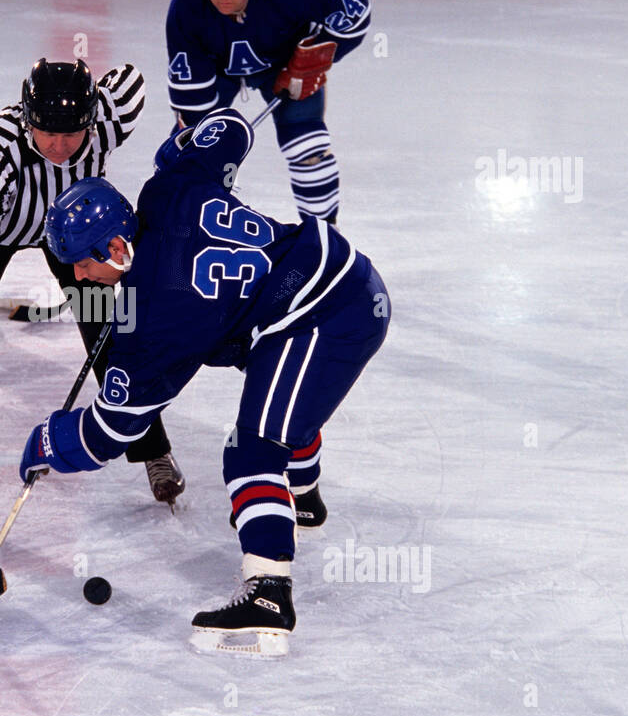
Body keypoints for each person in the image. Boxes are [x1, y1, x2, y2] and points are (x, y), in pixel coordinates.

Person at [19, 108, 390, 657]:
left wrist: (48, 440)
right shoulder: (167, 188)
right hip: (338, 274)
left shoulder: (153, 324)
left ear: (118, 249)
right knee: (279, 396)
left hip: (322, 314)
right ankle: (303, 497)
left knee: (251, 450)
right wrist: (179, 150)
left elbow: (109, 433)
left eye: (80, 263)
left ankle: (268, 596)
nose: (76, 275)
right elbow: (233, 130)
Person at [0, 58, 187, 507]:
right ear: (27, 120)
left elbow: (131, 80)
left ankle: (154, 452)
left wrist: (188, 112)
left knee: (111, 334)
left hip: (72, 234)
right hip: (2, 232)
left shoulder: (105, 117)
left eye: (72, 134)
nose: (61, 146)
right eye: (48, 133)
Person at [166, 0, 370, 223]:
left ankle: (325, 236)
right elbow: (192, 102)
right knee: (192, 151)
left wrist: (317, 51)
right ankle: (182, 230)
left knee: (307, 148)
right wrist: (202, 139)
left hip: (284, 66)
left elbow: (356, 12)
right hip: (215, 72)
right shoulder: (186, 6)